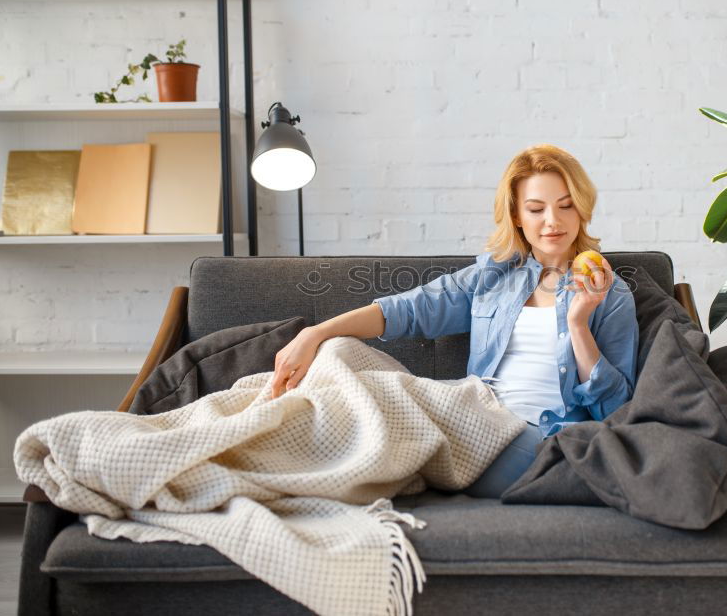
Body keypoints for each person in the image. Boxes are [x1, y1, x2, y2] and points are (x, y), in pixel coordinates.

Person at [269, 143, 639, 498]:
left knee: (388, 397)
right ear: (517, 216)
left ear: (582, 209)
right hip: (472, 421)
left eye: (565, 206)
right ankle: (277, 449)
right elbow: (408, 311)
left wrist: (578, 324)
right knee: (340, 353)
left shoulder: (609, 293)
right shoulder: (494, 278)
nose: (553, 222)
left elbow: (616, 410)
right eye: (536, 209)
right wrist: (313, 333)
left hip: (539, 444)